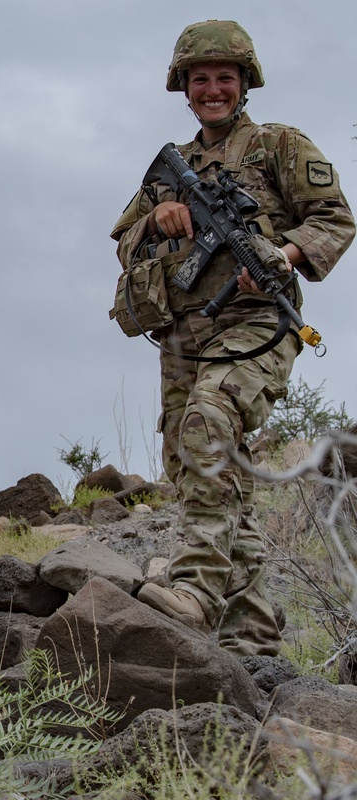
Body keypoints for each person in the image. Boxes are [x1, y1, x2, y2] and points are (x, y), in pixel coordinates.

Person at [111, 20, 354, 656]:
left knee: (208, 426)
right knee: (200, 471)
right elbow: (123, 243)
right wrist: (161, 222)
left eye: (225, 78)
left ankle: (192, 587)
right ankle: (250, 639)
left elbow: (335, 217)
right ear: (183, 88)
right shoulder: (173, 168)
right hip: (183, 336)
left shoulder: (278, 144)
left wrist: (284, 254)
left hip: (257, 324)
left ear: (245, 82)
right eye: (201, 80)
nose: (213, 89)